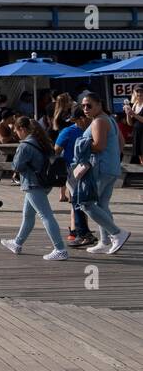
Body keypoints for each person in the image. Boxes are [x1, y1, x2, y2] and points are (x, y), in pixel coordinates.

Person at [0, 116, 68, 260]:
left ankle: (60, 249)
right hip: (45, 183)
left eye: (16, 131)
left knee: (46, 216)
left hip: (32, 184)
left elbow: (17, 166)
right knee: (28, 215)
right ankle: (17, 243)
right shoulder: (43, 142)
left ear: (22, 129)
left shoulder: (25, 146)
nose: (16, 134)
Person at [76, 92, 132, 255]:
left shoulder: (99, 121)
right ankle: (105, 241)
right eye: (83, 106)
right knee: (102, 205)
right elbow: (121, 142)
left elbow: (99, 146)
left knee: (86, 203)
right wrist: (113, 156)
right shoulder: (109, 119)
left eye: (89, 105)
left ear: (99, 104)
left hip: (100, 168)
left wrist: (81, 144)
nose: (85, 109)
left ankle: (117, 233)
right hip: (111, 167)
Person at [55, 106, 96, 248]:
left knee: (79, 201)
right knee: (81, 200)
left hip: (77, 168)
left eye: (75, 119)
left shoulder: (69, 131)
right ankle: (80, 231)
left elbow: (56, 150)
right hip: (82, 168)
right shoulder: (88, 129)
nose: (76, 122)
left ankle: (82, 232)